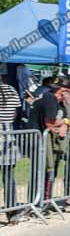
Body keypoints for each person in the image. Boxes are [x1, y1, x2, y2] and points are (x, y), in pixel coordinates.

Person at [0, 78, 21, 222]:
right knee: (8, 177)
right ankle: (12, 213)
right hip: (8, 134)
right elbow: (16, 113)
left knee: (8, 177)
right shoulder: (11, 89)